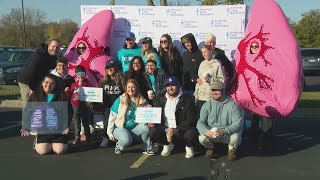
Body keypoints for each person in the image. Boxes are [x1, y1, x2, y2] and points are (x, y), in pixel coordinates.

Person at [149, 76, 199, 158]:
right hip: (166, 129)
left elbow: (191, 120)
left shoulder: (188, 99)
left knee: (191, 132)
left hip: (180, 129)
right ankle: (167, 144)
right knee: (152, 131)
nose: (170, 88)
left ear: (179, 86)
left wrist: (177, 129)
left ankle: (189, 147)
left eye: (173, 85)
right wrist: (152, 121)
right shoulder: (161, 99)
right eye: (168, 86)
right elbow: (156, 114)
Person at [20, 74, 69, 155]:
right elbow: (27, 110)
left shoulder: (61, 95)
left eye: (52, 83)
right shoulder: (35, 95)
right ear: (42, 83)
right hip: (42, 129)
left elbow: (68, 111)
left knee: (60, 150)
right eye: (46, 82)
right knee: (43, 151)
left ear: (55, 85)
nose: (48, 85)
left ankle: (59, 143)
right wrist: (26, 126)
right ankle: (40, 141)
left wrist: (66, 125)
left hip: (57, 129)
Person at [197, 80, 243, 161]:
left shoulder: (232, 105)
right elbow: (200, 123)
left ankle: (231, 149)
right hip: (212, 134)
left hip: (226, 133)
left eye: (217, 90)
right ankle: (210, 148)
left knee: (236, 136)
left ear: (223, 90)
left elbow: (237, 123)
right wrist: (207, 132)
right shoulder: (207, 105)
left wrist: (223, 131)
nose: (214, 92)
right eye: (213, 90)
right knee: (201, 138)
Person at [106, 79, 154, 155]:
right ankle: (119, 145)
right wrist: (109, 133)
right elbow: (112, 117)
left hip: (134, 129)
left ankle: (148, 148)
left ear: (137, 88)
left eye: (133, 87)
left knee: (146, 127)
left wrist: (150, 114)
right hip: (120, 128)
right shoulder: (120, 99)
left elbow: (146, 117)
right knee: (126, 140)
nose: (130, 89)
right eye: (128, 87)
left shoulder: (143, 101)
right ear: (126, 88)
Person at [17, 39, 62, 107]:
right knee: (29, 104)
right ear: (49, 45)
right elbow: (30, 73)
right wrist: (32, 89)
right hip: (27, 81)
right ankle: (27, 117)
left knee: (38, 104)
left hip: (38, 81)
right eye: (53, 46)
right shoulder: (38, 56)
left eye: (57, 48)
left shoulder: (53, 57)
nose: (55, 49)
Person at [98, 60, 126, 147]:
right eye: (107, 68)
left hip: (119, 106)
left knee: (120, 123)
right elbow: (98, 94)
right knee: (107, 122)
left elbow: (126, 92)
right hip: (107, 106)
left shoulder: (122, 80)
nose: (109, 69)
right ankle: (106, 138)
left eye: (112, 67)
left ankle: (119, 138)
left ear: (116, 68)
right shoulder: (103, 81)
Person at [194, 45, 225, 110]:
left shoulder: (216, 64)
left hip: (211, 96)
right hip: (201, 96)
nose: (203, 54)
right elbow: (199, 78)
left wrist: (210, 79)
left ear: (211, 52)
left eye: (205, 52)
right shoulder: (202, 64)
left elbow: (222, 80)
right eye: (202, 53)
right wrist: (198, 80)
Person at [69, 65, 92, 144]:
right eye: (78, 74)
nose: (80, 76)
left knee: (85, 122)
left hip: (85, 105)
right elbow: (70, 93)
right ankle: (77, 136)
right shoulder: (74, 84)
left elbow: (92, 93)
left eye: (82, 73)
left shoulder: (88, 83)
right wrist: (67, 91)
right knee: (77, 122)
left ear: (85, 74)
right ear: (76, 75)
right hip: (75, 105)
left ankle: (88, 137)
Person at [50, 57, 75, 126]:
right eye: (59, 65)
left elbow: (74, 92)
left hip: (67, 103)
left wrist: (70, 91)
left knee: (67, 119)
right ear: (56, 67)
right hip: (54, 102)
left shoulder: (71, 78)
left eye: (64, 65)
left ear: (67, 66)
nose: (62, 67)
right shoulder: (51, 78)